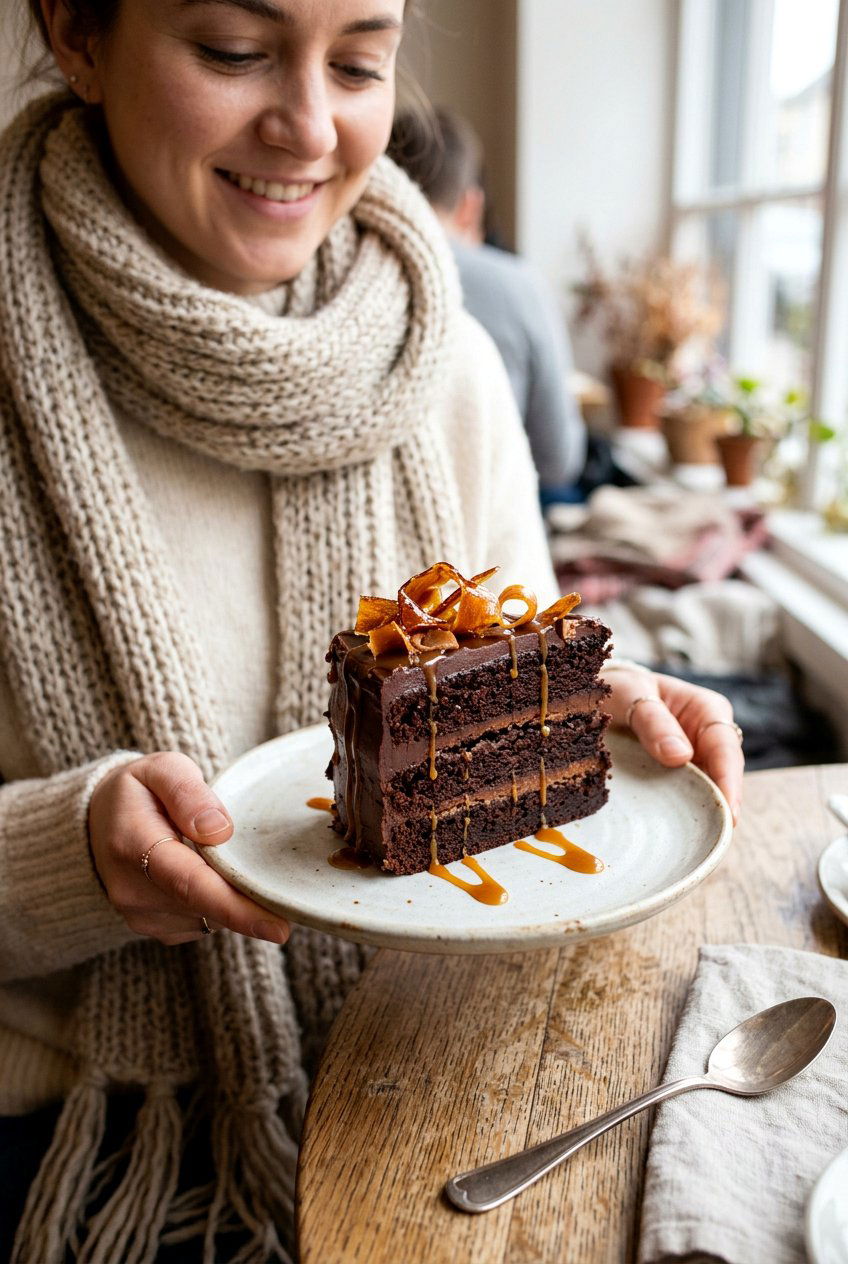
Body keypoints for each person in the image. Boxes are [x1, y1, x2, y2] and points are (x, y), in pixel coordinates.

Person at [0, 2, 744, 1260]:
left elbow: (511, 640)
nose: (309, 125)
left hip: (444, 1085)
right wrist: (67, 852)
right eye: (233, 51)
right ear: (76, 32)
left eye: (358, 62)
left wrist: (595, 701)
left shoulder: (442, 356)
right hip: (101, 1152)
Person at [388, 104, 587, 498]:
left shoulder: (326, 275)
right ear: (470, 205)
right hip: (485, 521)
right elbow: (559, 460)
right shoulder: (520, 286)